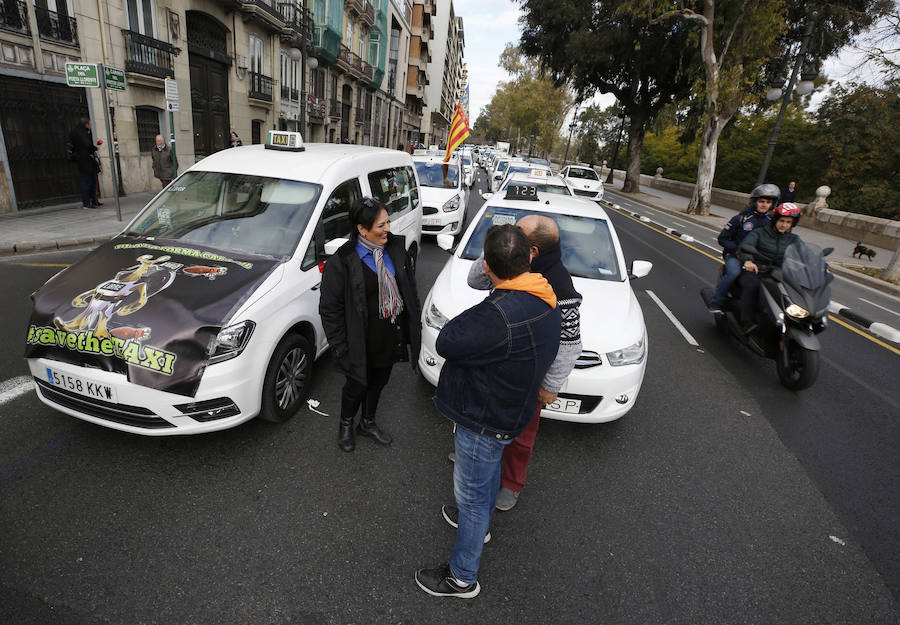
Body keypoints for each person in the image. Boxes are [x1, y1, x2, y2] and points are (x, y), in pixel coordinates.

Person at [415, 224, 560, 599]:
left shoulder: (498, 314)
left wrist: (490, 293)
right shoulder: (546, 295)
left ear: (490, 267)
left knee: (474, 499)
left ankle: (462, 577)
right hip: (513, 410)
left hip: (485, 418)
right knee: (489, 474)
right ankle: (478, 527)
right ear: (529, 257)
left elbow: (448, 339)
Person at [464, 214, 582, 511]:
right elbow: (475, 280)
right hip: (494, 363)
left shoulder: (560, 288)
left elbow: (570, 343)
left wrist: (551, 385)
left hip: (527, 376)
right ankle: (476, 452)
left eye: (517, 231)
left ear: (534, 252)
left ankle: (512, 483)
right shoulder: (511, 260)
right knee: (480, 415)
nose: (510, 233)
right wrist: (494, 250)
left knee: (521, 436)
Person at [319, 197, 421, 452]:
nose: (388, 228)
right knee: (357, 385)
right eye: (380, 225)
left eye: (388, 222)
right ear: (362, 229)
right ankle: (346, 423)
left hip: (390, 334)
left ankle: (367, 422)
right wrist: (341, 348)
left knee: (379, 381)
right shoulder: (342, 261)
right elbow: (330, 310)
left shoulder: (395, 249)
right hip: (359, 341)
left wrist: (413, 324)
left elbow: (409, 287)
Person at [707, 183, 779, 313]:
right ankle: (716, 302)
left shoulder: (772, 222)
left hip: (758, 258)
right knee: (733, 273)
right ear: (755, 201)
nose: (764, 204)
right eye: (761, 201)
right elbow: (722, 238)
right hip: (735, 256)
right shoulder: (741, 218)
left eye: (768, 202)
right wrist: (738, 249)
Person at [736, 202, 802, 332]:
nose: (784, 225)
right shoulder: (760, 233)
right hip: (757, 270)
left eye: (788, 222)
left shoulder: (794, 239)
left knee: (792, 292)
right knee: (752, 286)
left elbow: (805, 254)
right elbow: (746, 246)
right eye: (782, 221)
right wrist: (749, 261)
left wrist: (822, 266)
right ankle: (746, 321)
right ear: (775, 220)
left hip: (778, 273)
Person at [69, 117, 100, 209]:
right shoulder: (83, 132)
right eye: (90, 124)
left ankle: (93, 200)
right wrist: (94, 148)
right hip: (86, 160)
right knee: (88, 181)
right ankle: (88, 202)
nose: (91, 126)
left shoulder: (74, 132)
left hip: (81, 160)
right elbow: (87, 145)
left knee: (88, 181)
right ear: (86, 125)